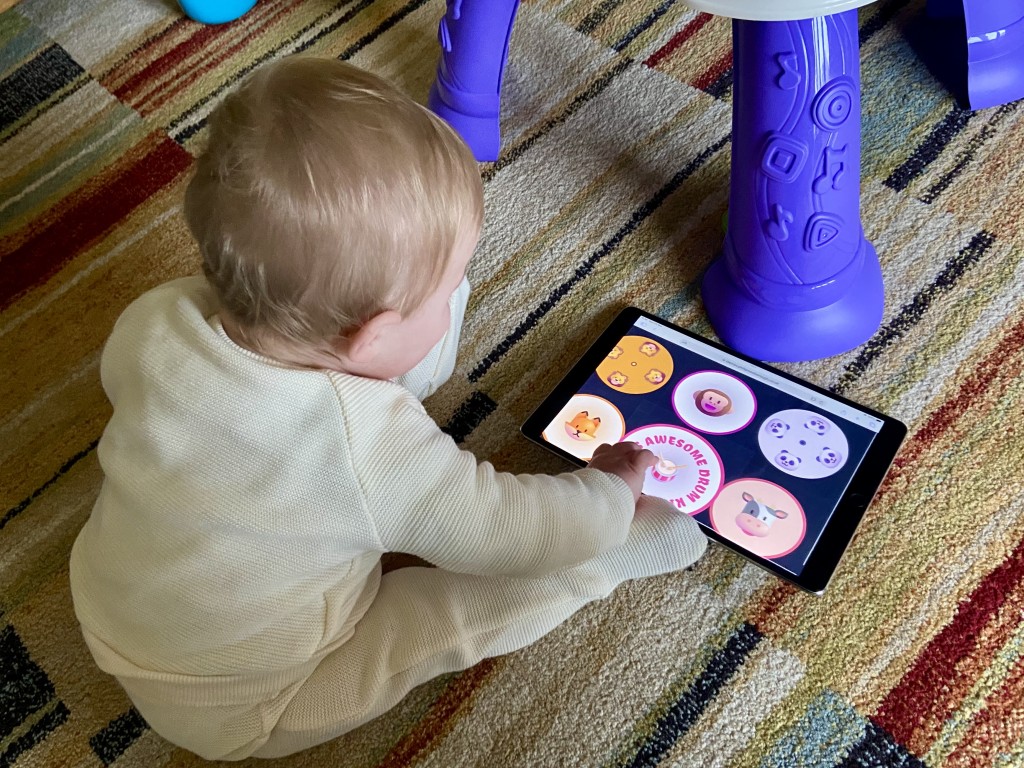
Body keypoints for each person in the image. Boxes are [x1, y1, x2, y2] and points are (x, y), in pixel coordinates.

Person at [68, 55, 707, 761]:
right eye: (449, 289)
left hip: (109, 609)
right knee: (435, 619)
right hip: (246, 705)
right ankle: (621, 558)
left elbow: (139, 398)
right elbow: (510, 530)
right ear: (370, 335)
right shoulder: (368, 445)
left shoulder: (156, 318)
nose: (457, 295)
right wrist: (610, 493)